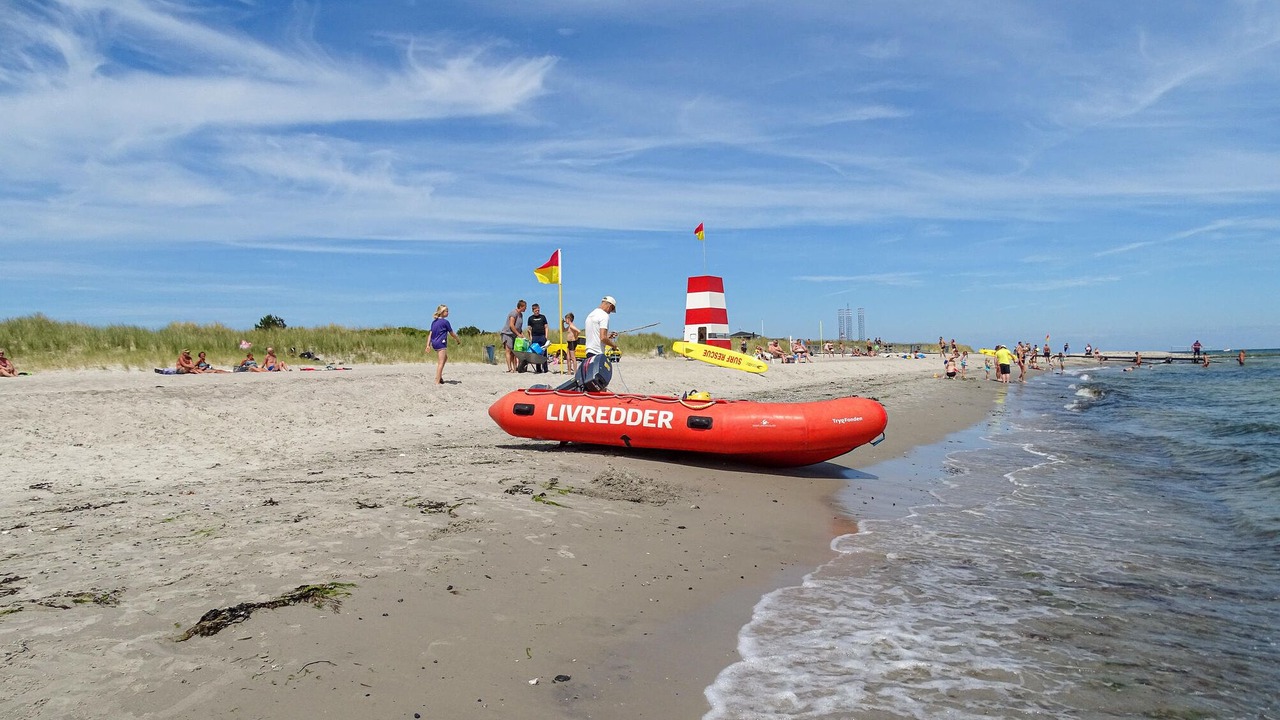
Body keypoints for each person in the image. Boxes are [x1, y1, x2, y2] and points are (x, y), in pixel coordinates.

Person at [428, 304, 461, 384]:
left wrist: (428, 345)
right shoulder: (445, 322)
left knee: (445, 358)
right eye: (447, 311)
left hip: (434, 343)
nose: (448, 313)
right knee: (441, 362)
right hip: (441, 343)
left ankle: (440, 377)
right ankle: (437, 381)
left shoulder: (434, 322)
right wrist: (457, 339)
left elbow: (430, 334)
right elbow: (452, 333)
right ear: (442, 312)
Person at [500, 300, 526, 373]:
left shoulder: (521, 315)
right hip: (508, 333)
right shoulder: (513, 313)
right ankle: (509, 368)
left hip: (515, 334)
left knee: (514, 352)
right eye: (525, 307)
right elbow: (511, 325)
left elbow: (519, 327)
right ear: (521, 306)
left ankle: (515, 367)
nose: (525, 309)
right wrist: (518, 334)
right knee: (508, 350)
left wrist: (522, 335)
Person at [525, 303, 549, 374]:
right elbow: (529, 329)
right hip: (535, 337)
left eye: (538, 310)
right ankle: (538, 369)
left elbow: (546, 327)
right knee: (536, 353)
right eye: (536, 310)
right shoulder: (530, 318)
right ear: (533, 310)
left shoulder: (543, 317)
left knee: (544, 353)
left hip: (542, 336)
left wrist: (546, 337)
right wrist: (531, 338)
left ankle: (545, 369)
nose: (537, 311)